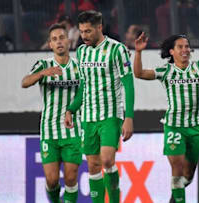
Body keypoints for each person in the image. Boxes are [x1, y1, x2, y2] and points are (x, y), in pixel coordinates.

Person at [133, 33, 199, 203]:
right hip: (173, 125)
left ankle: (174, 198)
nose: (185, 50)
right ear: (172, 52)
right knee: (177, 166)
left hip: (195, 127)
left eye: (187, 46)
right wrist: (138, 52)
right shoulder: (166, 71)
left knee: (187, 175)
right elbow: (139, 74)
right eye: (180, 47)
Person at [64, 10, 135, 203]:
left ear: (99, 27)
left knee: (106, 160)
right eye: (81, 31)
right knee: (93, 165)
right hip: (87, 117)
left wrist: (129, 117)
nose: (84, 36)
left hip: (110, 115)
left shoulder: (117, 49)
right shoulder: (81, 51)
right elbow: (83, 86)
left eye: (88, 31)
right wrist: (71, 109)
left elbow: (128, 84)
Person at [21, 23, 82, 203]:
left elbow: (86, 91)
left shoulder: (79, 67)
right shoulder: (43, 64)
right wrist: (42, 74)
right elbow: (24, 82)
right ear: (50, 45)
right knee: (52, 179)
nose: (59, 42)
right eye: (54, 39)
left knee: (71, 178)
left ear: (69, 41)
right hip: (49, 131)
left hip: (72, 130)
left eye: (62, 37)